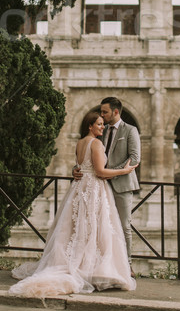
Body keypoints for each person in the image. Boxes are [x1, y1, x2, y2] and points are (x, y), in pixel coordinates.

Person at [9, 111, 137, 298]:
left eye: (103, 124)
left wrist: (77, 171)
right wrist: (123, 170)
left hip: (79, 187)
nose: (103, 127)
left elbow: (81, 166)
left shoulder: (80, 143)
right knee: (95, 226)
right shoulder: (97, 144)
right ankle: (92, 268)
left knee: (76, 228)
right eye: (99, 124)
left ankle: (80, 263)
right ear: (90, 126)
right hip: (94, 188)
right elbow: (100, 171)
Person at [73, 96, 141, 277]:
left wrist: (107, 171)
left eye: (105, 112)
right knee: (101, 226)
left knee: (124, 226)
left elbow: (134, 158)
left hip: (120, 185)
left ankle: (127, 265)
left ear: (116, 112)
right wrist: (78, 169)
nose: (101, 114)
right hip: (99, 185)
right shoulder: (99, 133)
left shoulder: (130, 130)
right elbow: (89, 155)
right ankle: (103, 263)